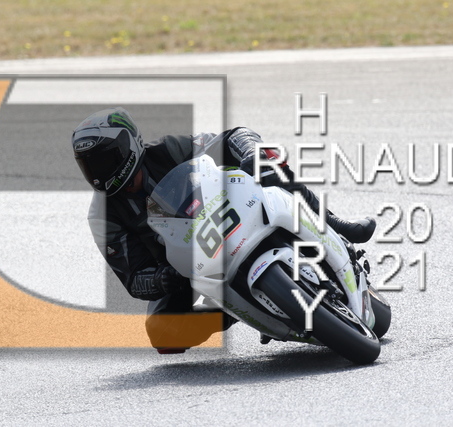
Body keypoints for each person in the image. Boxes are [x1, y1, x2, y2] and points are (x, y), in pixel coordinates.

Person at [72, 107, 376, 353]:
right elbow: (133, 278)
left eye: (104, 161)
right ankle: (239, 310)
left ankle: (333, 224)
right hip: (186, 266)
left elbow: (230, 137)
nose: (98, 174)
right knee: (162, 334)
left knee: (270, 164)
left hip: (230, 214)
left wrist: (251, 151)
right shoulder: (102, 217)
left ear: (129, 145)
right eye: (89, 166)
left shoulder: (167, 150)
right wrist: (161, 279)